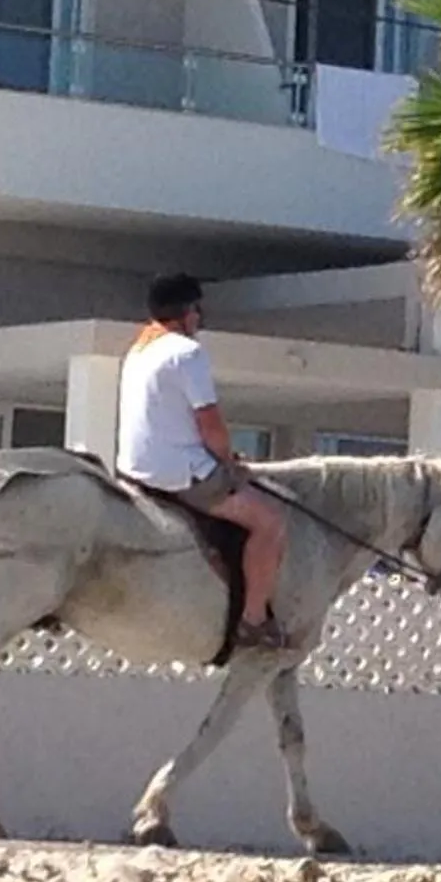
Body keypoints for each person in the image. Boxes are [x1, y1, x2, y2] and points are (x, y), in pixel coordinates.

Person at [117, 273, 290, 653]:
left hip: (133, 468)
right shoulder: (186, 352)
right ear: (184, 312)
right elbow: (210, 424)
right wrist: (229, 461)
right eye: (197, 310)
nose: (199, 319)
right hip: (178, 472)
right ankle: (254, 620)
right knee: (270, 524)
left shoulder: (138, 350)